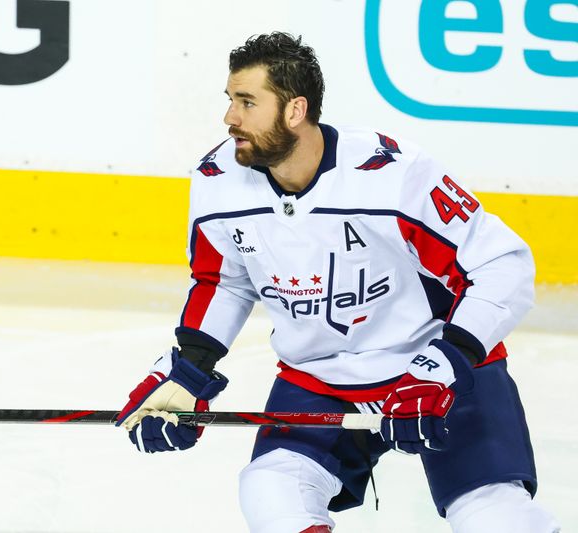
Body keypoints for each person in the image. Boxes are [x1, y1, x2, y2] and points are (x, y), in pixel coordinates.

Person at [115, 32, 560, 533]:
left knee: (495, 518)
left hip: (436, 368)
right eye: (230, 101)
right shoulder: (218, 179)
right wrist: (189, 370)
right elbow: (224, 281)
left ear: (294, 110)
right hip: (319, 379)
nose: (229, 118)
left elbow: (504, 264)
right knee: (270, 491)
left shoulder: (391, 174)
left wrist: (446, 360)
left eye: (246, 102)